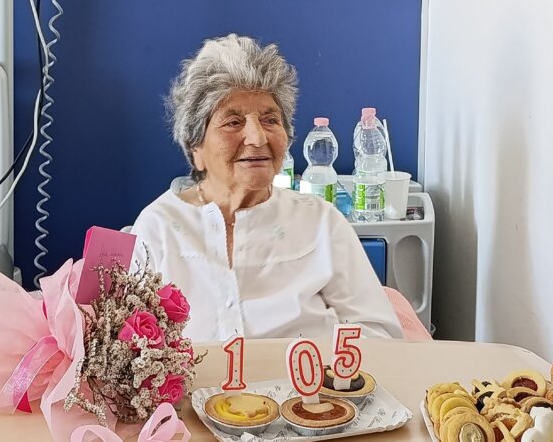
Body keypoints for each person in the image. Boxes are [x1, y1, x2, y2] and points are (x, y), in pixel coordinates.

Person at [127, 34, 403, 342]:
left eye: (270, 120)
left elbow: (381, 336)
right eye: (233, 122)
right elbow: (126, 349)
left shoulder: (321, 222)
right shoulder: (158, 226)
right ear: (196, 148)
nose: (258, 138)